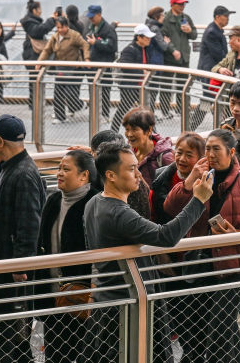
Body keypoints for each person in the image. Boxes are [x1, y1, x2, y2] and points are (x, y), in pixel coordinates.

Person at [83, 142, 214, 363]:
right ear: (111, 175)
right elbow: (166, 236)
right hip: (129, 305)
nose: (138, 174)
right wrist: (198, 199)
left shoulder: (94, 203)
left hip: (107, 301)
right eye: (131, 169)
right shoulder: (119, 213)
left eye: (137, 166)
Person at [163, 129, 240, 363]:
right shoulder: (201, 178)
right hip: (197, 264)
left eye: (216, 149)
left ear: (231, 152)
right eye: (208, 149)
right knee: (197, 331)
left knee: (220, 329)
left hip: (231, 268)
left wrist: (237, 234)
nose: (210, 154)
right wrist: (190, 180)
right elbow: (170, 208)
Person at [0, 115, 46, 363]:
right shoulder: (10, 168)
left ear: (0, 141)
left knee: (3, 338)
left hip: (10, 272)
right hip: (3, 266)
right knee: (8, 338)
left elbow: (29, 224)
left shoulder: (23, 173)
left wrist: (20, 266)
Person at [34, 150, 96, 363]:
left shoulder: (94, 202)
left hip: (81, 298)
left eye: (66, 169)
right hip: (53, 296)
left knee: (84, 354)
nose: (59, 173)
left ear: (84, 175)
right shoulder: (53, 201)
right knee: (55, 355)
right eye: (59, 168)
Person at [38, 16, 90, 124]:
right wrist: (39, 62)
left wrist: (87, 58)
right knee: (58, 93)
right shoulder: (55, 37)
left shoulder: (74, 35)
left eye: (61, 27)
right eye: (58, 27)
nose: (59, 30)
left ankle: (80, 105)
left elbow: (85, 45)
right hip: (61, 68)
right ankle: (60, 117)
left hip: (74, 69)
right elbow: (47, 50)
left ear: (66, 26)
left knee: (70, 93)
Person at [151, 131, 206, 223]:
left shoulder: (206, 182)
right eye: (179, 153)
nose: (182, 159)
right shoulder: (160, 177)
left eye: (189, 155)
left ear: (201, 159)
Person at [112, 24, 154, 131]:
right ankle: (113, 131)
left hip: (140, 86)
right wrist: (142, 72)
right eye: (147, 38)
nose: (149, 40)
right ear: (139, 37)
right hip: (129, 86)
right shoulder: (129, 49)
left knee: (145, 111)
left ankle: (151, 133)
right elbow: (125, 66)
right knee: (123, 110)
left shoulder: (144, 49)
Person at [122, 108, 174, 186]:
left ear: (149, 130)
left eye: (134, 130)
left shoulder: (164, 157)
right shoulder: (128, 151)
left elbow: (171, 188)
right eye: (127, 130)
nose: (129, 134)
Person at [20, 0, 56, 110]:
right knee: (35, 79)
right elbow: (38, 31)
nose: (41, 11)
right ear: (34, 10)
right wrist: (52, 20)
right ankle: (35, 104)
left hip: (33, 53)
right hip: (33, 53)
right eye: (39, 9)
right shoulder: (29, 22)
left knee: (36, 78)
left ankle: (36, 103)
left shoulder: (31, 20)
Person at [85, 4, 119, 119]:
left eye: (92, 16)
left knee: (105, 91)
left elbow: (112, 46)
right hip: (92, 66)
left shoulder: (108, 29)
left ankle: (105, 115)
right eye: (89, 17)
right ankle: (94, 114)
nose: (91, 19)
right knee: (92, 90)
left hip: (104, 65)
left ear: (99, 15)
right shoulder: (91, 28)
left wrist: (97, 43)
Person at [162, 0, 197, 68]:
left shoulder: (186, 18)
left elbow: (194, 36)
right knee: (168, 75)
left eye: (183, 4)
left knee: (184, 76)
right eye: (180, 4)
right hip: (169, 58)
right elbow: (163, 37)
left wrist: (190, 31)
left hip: (184, 58)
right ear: (172, 5)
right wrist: (173, 50)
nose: (182, 6)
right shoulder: (165, 19)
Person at [199, 5, 234, 72]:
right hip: (209, 70)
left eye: (228, 16)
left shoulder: (217, 29)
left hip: (213, 68)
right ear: (217, 17)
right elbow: (219, 55)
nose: (228, 19)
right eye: (225, 16)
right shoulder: (212, 32)